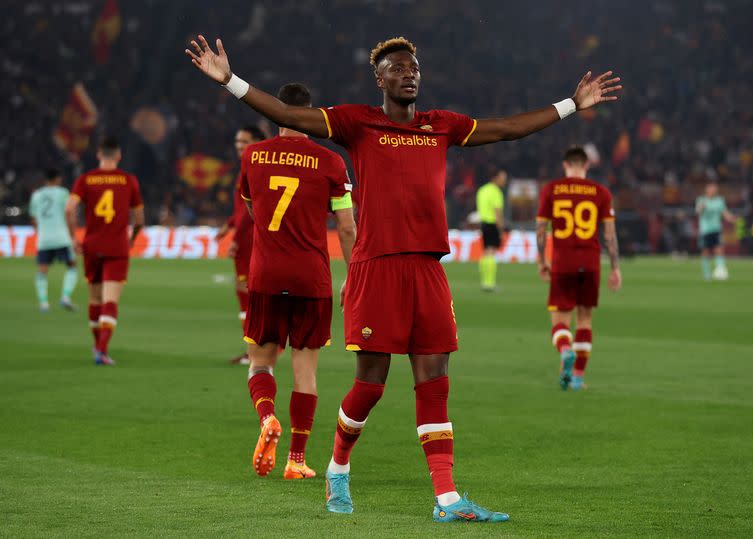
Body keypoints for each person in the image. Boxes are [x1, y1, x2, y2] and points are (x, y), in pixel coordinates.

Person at [186, 33, 620, 523]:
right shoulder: (356, 122)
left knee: (435, 382)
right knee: (370, 385)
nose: (409, 73)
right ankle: (338, 470)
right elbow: (291, 117)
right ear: (381, 79)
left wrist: (570, 104)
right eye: (398, 68)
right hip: (377, 268)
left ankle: (448, 498)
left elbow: (506, 129)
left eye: (414, 67)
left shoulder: (442, 126)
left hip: (428, 270)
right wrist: (231, 82)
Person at [239, 83, 356, 481]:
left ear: (275, 113)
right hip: (312, 278)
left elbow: (254, 208)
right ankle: (296, 459)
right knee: (306, 372)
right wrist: (353, 274)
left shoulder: (252, 156)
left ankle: (268, 417)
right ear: (309, 113)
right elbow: (346, 228)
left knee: (260, 362)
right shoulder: (331, 162)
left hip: (266, 274)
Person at [536, 147, 621, 391]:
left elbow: (541, 230)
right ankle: (577, 378)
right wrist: (615, 268)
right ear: (586, 165)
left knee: (559, 321)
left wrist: (542, 261)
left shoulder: (552, 189)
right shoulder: (601, 193)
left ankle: (565, 349)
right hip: (591, 263)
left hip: (563, 263)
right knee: (584, 320)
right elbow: (610, 236)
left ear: (565, 165)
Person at [65, 137, 145, 366]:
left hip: (92, 245)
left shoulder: (85, 179)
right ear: (118, 156)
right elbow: (139, 218)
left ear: (99, 155)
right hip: (117, 246)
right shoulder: (128, 180)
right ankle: (102, 349)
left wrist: (73, 238)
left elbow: (69, 209)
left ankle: (96, 346)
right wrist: (132, 238)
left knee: (94, 299)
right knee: (110, 300)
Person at [215, 125, 266, 365]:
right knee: (246, 293)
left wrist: (235, 240)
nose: (238, 147)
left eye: (243, 142)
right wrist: (229, 224)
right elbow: (240, 211)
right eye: (237, 143)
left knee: (247, 295)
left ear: (256, 142)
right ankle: (256, 348)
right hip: (249, 237)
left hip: (249, 240)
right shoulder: (251, 166)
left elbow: (250, 211)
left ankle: (255, 351)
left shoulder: (255, 167)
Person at [29, 169, 79, 312]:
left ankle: (44, 303)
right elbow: (69, 214)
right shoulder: (63, 193)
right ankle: (65, 297)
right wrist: (73, 236)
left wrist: (41, 232)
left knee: (42, 271)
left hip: (44, 238)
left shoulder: (36, 195)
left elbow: (33, 219)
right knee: (72, 266)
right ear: (58, 179)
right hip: (61, 237)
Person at [695, 182, 735, 280]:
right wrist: (702, 208)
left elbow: (724, 212)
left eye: (715, 189)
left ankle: (720, 270)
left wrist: (732, 218)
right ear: (707, 190)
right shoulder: (701, 200)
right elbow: (698, 212)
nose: (713, 191)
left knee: (719, 249)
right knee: (705, 252)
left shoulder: (719, 201)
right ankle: (707, 273)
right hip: (705, 230)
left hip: (716, 229)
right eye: (711, 189)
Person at [475, 170, 507, 291]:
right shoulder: (496, 192)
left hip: (483, 223)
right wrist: (501, 229)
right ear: (495, 178)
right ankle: (490, 283)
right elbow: (497, 212)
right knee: (491, 252)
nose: (504, 180)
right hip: (492, 224)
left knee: (486, 252)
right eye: (502, 177)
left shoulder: (482, 190)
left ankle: (484, 281)